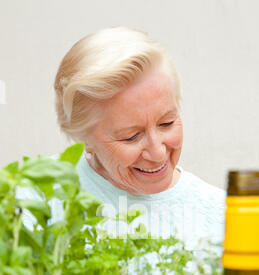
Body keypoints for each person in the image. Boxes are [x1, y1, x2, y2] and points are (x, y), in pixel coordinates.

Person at [53, 26, 225, 249]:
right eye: (131, 137)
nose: (158, 153)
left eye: (167, 123)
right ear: (85, 138)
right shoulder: (37, 199)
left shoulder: (222, 216)